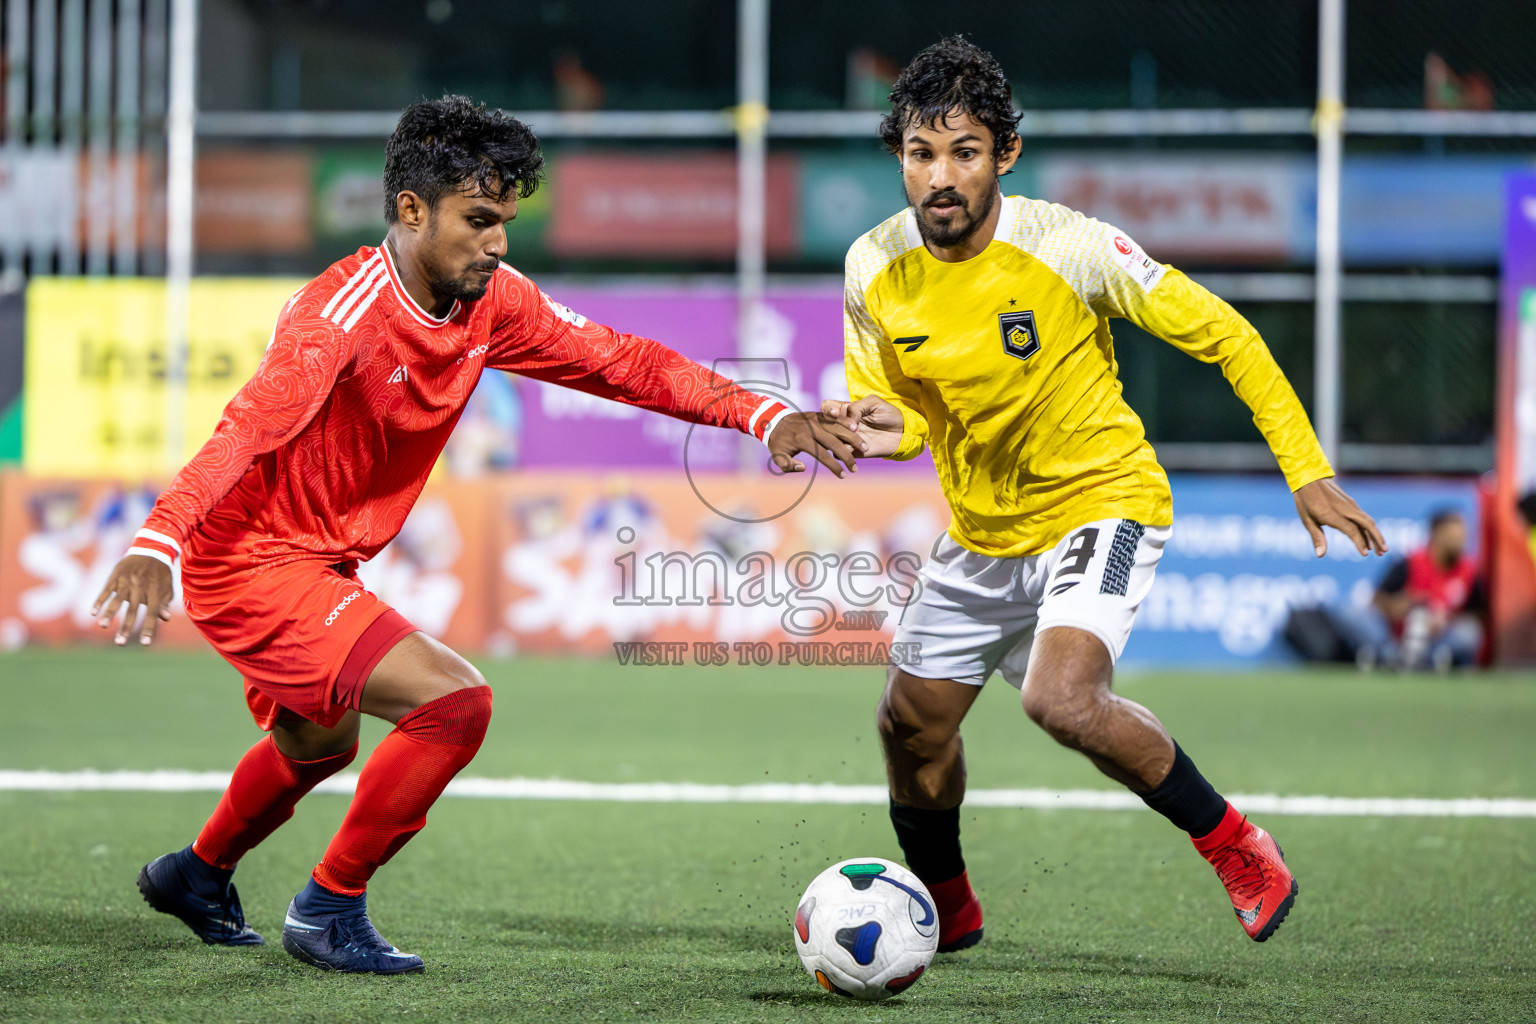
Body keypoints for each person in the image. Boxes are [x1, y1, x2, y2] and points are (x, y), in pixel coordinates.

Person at [91, 95, 863, 975]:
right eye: (479, 220)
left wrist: (764, 415)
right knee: (452, 704)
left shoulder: (494, 301)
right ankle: (329, 906)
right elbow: (249, 425)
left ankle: (195, 875)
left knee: (319, 742)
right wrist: (160, 538)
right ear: (412, 211)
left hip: (321, 556)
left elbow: (625, 362)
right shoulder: (338, 314)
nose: (497, 243)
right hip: (252, 559)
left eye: (505, 221)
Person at [822, 37, 1387, 950]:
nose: (939, 177)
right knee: (909, 729)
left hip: (1102, 498)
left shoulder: (1069, 246)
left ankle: (1236, 843)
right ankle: (946, 914)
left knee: (1062, 700)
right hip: (984, 531)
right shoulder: (871, 269)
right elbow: (906, 417)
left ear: (1004, 153)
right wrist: (882, 432)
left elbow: (1225, 334)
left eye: (963, 152)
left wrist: (1305, 467)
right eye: (920, 154)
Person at [1341, 508, 1484, 670]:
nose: (1461, 540)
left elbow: (1478, 614)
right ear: (1437, 534)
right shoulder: (1410, 562)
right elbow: (1378, 598)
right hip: (1397, 633)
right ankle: (1391, 655)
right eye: (1455, 535)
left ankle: (1433, 660)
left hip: (1437, 638)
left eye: (1463, 535)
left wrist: (1446, 618)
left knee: (1469, 632)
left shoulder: (1468, 571)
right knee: (1353, 613)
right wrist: (1401, 605)